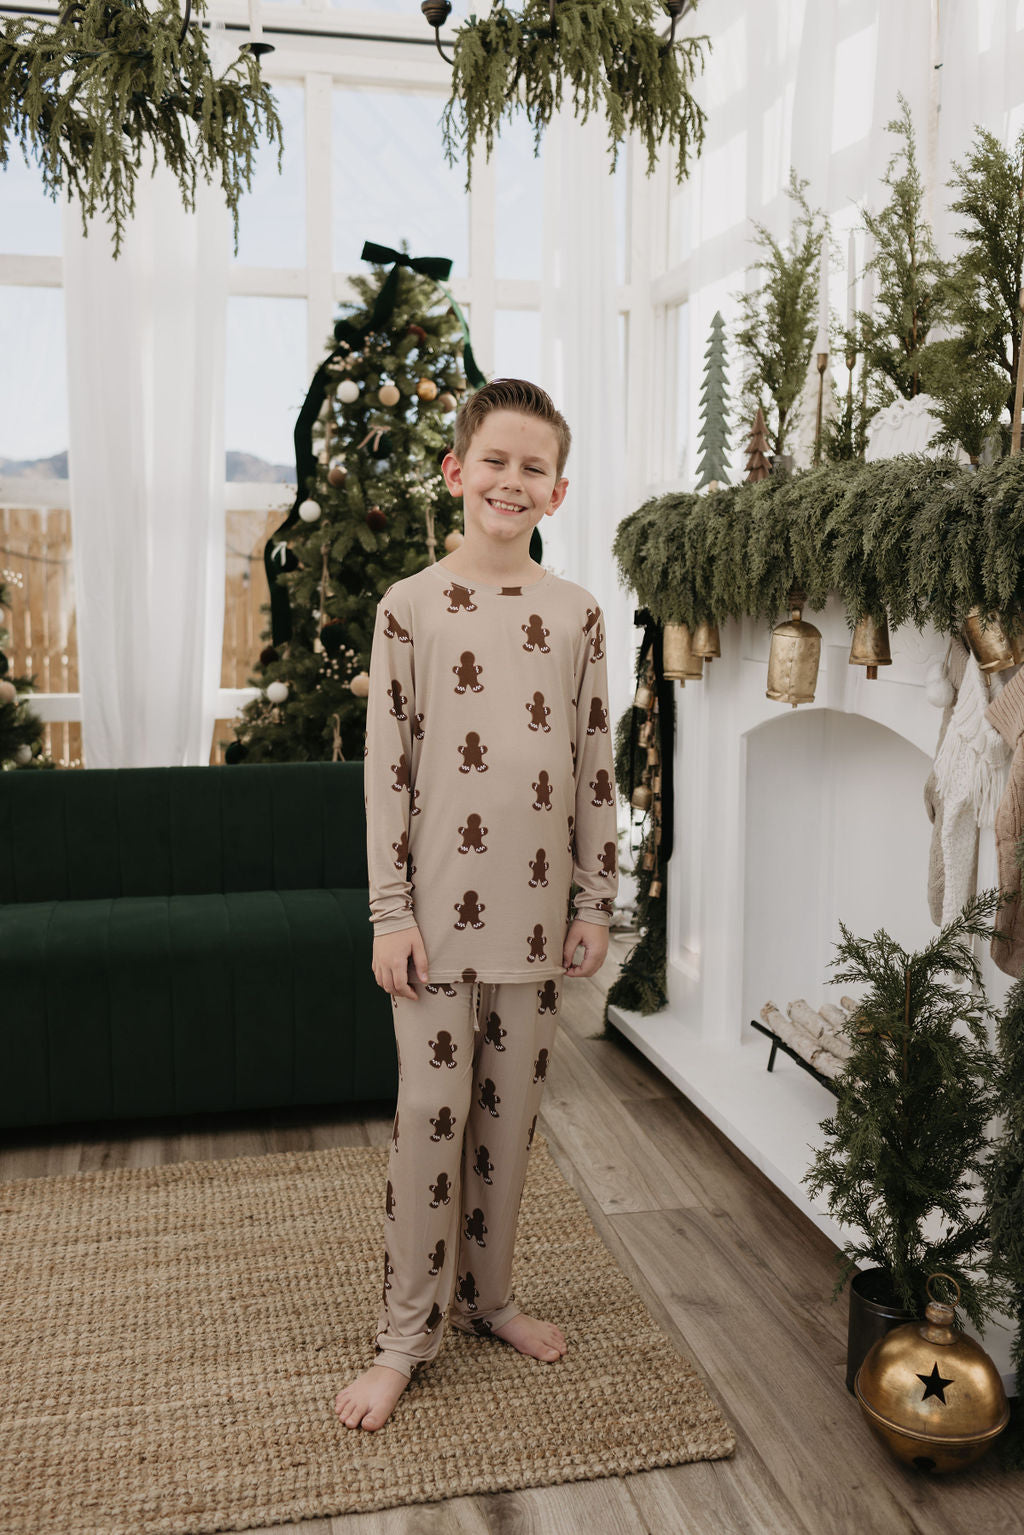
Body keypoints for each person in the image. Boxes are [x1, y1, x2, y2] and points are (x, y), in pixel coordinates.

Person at [334, 377, 618, 1432]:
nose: (511, 479)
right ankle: (408, 1333)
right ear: (456, 473)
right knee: (430, 1116)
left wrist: (598, 900)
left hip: (540, 923)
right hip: (438, 920)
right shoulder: (407, 607)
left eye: (532, 467)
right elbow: (387, 772)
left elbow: (594, 765)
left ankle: (489, 1296)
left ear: (557, 489)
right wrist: (388, 911)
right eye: (493, 461)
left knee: (511, 1115)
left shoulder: (578, 613)